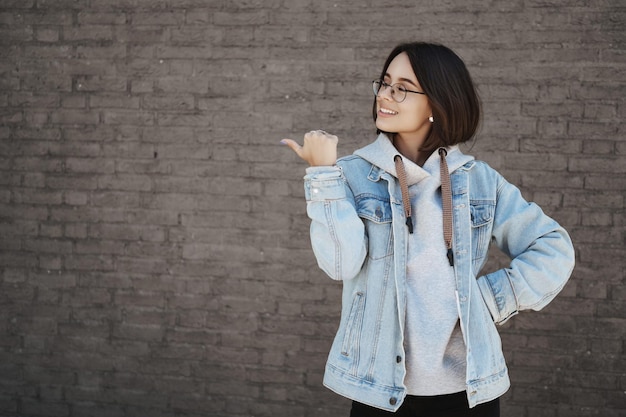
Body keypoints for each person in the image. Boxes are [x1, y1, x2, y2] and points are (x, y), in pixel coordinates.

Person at [281, 42, 575, 417]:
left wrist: (491, 299)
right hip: (381, 390)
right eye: (385, 83)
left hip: (470, 390)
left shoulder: (480, 182)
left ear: (437, 103)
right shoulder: (352, 175)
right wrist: (324, 175)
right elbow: (340, 264)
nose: (385, 96)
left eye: (402, 87)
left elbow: (553, 246)